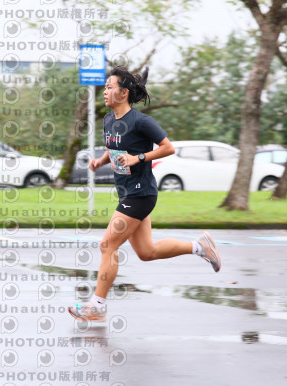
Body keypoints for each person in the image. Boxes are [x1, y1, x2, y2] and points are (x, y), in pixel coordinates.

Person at [68, 66, 222, 322]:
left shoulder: (141, 121)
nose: (105, 91)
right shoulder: (109, 120)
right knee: (146, 252)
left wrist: (138, 158)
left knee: (108, 245)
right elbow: (112, 146)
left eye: (109, 87)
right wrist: (100, 161)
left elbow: (168, 148)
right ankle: (200, 247)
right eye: (105, 87)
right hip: (127, 193)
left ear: (124, 93)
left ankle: (97, 306)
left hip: (140, 194)